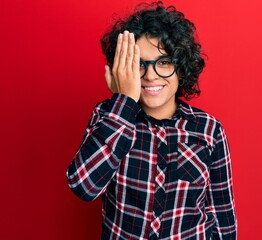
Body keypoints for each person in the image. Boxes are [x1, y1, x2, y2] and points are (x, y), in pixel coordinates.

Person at [66, 1, 237, 239]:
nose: (150, 75)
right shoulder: (108, 117)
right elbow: (84, 186)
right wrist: (124, 100)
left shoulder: (209, 129)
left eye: (164, 62)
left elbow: (222, 213)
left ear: (181, 67)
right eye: (138, 64)